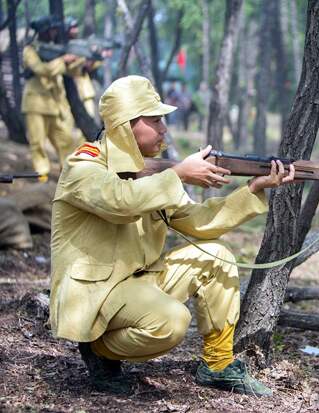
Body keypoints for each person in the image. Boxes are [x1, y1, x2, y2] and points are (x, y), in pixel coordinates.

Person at [49, 75, 295, 396]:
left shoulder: (152, 172)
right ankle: (99, 349)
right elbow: (120, 201)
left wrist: (252, 190)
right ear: (126, 125)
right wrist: (177, 174)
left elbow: (199, 222)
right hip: (98, 293)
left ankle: (218, 365)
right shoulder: (84, 166)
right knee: (172, 321)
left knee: (215, 256)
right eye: (155, 119)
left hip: (139, 282)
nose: (164, 128)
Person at [22, 16, 81, 182]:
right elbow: (42, 70)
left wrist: (77, 60)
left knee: (66, 141)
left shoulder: (54, 49)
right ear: (44, 31)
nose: (54, 32)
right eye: (52, 29)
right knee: (37, 144)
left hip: (54, 105)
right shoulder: (30, 50)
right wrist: (62, 60)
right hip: (35, 104)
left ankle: (69, 176)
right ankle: (42, 176)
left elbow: (71, 72)